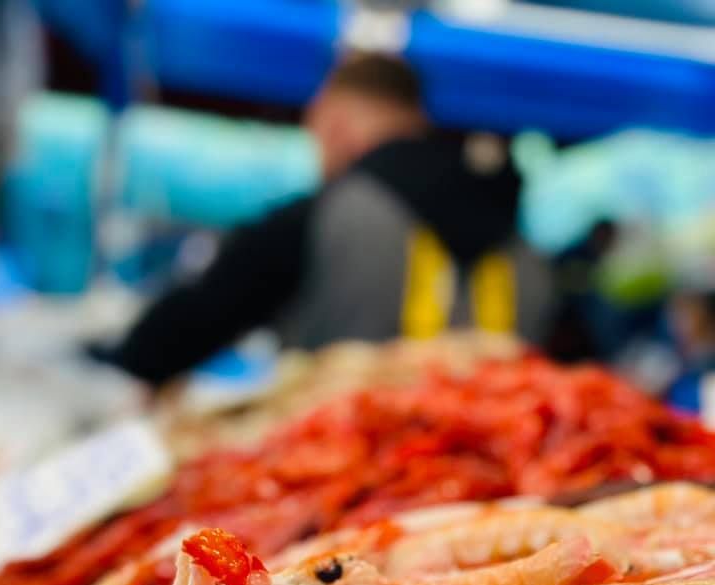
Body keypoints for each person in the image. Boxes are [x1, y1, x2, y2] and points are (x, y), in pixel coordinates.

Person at [95, 52, 551, 385]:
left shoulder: (323, 214)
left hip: (345, 476)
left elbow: (192, 321)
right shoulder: (522, 237)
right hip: (505, 473)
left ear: (337, 125)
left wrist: (116, 361)